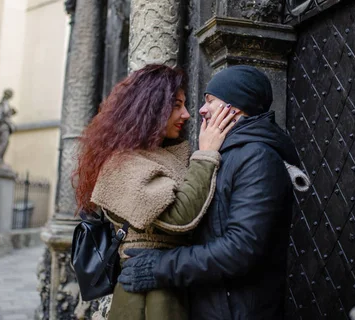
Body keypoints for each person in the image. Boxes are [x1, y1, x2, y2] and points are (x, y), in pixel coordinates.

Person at [119, 65, 309, 320]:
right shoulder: (226, 153)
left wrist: (159, 266)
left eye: (210, 101)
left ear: (235, 107)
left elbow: (242, 248)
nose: (201, 109)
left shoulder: (257, 157)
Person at [74, 64, 238, 320]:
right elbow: (179, 216)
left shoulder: (164, 154)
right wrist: (206, 154)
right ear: (150, 106)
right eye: (176, 105)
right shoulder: (121, 164)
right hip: (146, 296)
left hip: (177, 282)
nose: (187, 114)